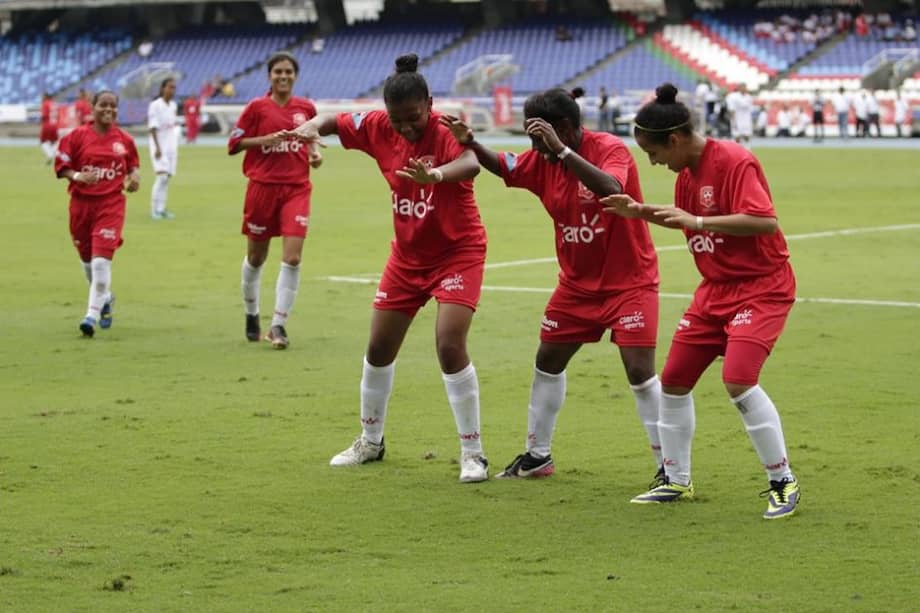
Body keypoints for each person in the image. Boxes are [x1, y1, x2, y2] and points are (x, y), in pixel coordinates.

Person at [440, 88, 664, 483]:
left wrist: (561, 151)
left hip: (629, 283)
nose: (532, 146)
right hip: (577, 286)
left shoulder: (608, 149)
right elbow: (507, 166)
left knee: (639, 371)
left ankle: (670, 467)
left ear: (561, 128)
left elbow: (613, 190)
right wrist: (472, 142)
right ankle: (537, 456)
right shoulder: (542, 158)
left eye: (535, 136)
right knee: (548, 360)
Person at [601, 83, 800, 520]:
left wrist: (699, 218)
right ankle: (675, 479)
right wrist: (640, 211)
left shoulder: (733, 160)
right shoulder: (687, 177)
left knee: (738, 378)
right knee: (672, 380)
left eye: (653, 153)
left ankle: (782, 481)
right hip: (715, 290)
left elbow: (764, 222)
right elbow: (688, 223)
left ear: (674, 140)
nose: (653, 162)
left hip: (762, 286)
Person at [291, 53, 490, 482]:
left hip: (458, 252)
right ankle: (370, 441)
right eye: (398, 119)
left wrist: (435, 176)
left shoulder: (446, 129)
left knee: (449, 343)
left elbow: (473, 162)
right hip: (407, 256)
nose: (405, 127)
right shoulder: (380, 126)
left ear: (430, 104)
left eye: (413, 118)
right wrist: (310, 127)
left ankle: (473, 452)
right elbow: (334, 121)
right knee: (379, 348)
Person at [227, 51, 322, 350]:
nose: (283, 76)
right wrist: (263, 141)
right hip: (262, 189)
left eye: (288, 72)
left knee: (292, 257)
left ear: (295, 76)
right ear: (269, 76)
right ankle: (252, 314)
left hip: (296, 189)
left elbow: (312, 137)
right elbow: (233, 143)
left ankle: (278, 325)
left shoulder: (306, 107)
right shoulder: (257, 108)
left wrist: (315, 153)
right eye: (278, 72)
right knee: (256, 258)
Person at [54, 90, 140, 337]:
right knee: (88, 264)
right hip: (81, 206)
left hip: (111, 205)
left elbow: (133, 165)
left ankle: (90, 316)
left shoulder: (124, 140)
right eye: (103, 105)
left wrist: (134, 177)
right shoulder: (77, 137)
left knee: (102, 262)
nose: (108, 110)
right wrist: (79, 175)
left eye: (113, 106)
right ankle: (106, 298)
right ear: (93, 107)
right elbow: (62, 167)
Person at [148, 78, 179, 219]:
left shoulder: (173, 105)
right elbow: (153, 127)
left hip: (171, 145)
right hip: (159, 145)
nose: (172, 90)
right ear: (162, 88)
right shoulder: (155, 105)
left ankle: (161, 209)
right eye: (169, 87)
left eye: (174, 88)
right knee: (161, 177)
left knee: (167, 178)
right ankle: (154, 210)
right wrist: (157, 147)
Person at [39, 92, 59, 164]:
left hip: (47, 125)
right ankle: (56, 155)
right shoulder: (55, 104)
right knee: (55, 141)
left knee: (42, 141)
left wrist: (40, 123)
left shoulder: (45, 104)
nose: (41, 99)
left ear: (46, 97)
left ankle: (50, 155)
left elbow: (43, 116)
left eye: (42, 97)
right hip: (55, 125)